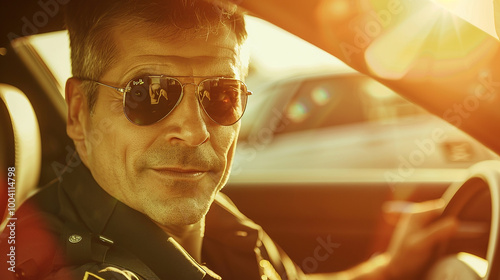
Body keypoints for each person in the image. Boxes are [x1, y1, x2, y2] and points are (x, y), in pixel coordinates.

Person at [0, 0, 458, 279]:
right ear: (81, 113)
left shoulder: (211, 216)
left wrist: (389, 268)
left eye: (221, 95)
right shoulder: (57, 265)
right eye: (149, 94)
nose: (196, 130)